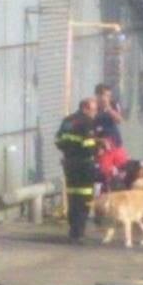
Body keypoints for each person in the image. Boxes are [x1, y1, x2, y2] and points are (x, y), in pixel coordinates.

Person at [56, 97, 99, 243]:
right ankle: (79, 233)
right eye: (94, 110)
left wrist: (69, 151)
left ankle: (73, 229)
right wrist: (98, 149)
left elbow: (58, 141)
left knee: (72, 197)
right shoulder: (87, 122)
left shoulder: (67, 121)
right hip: (84, 165)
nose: (95, 113)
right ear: (86, 108)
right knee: (84, 198)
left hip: (69, 163)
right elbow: (88, 146)